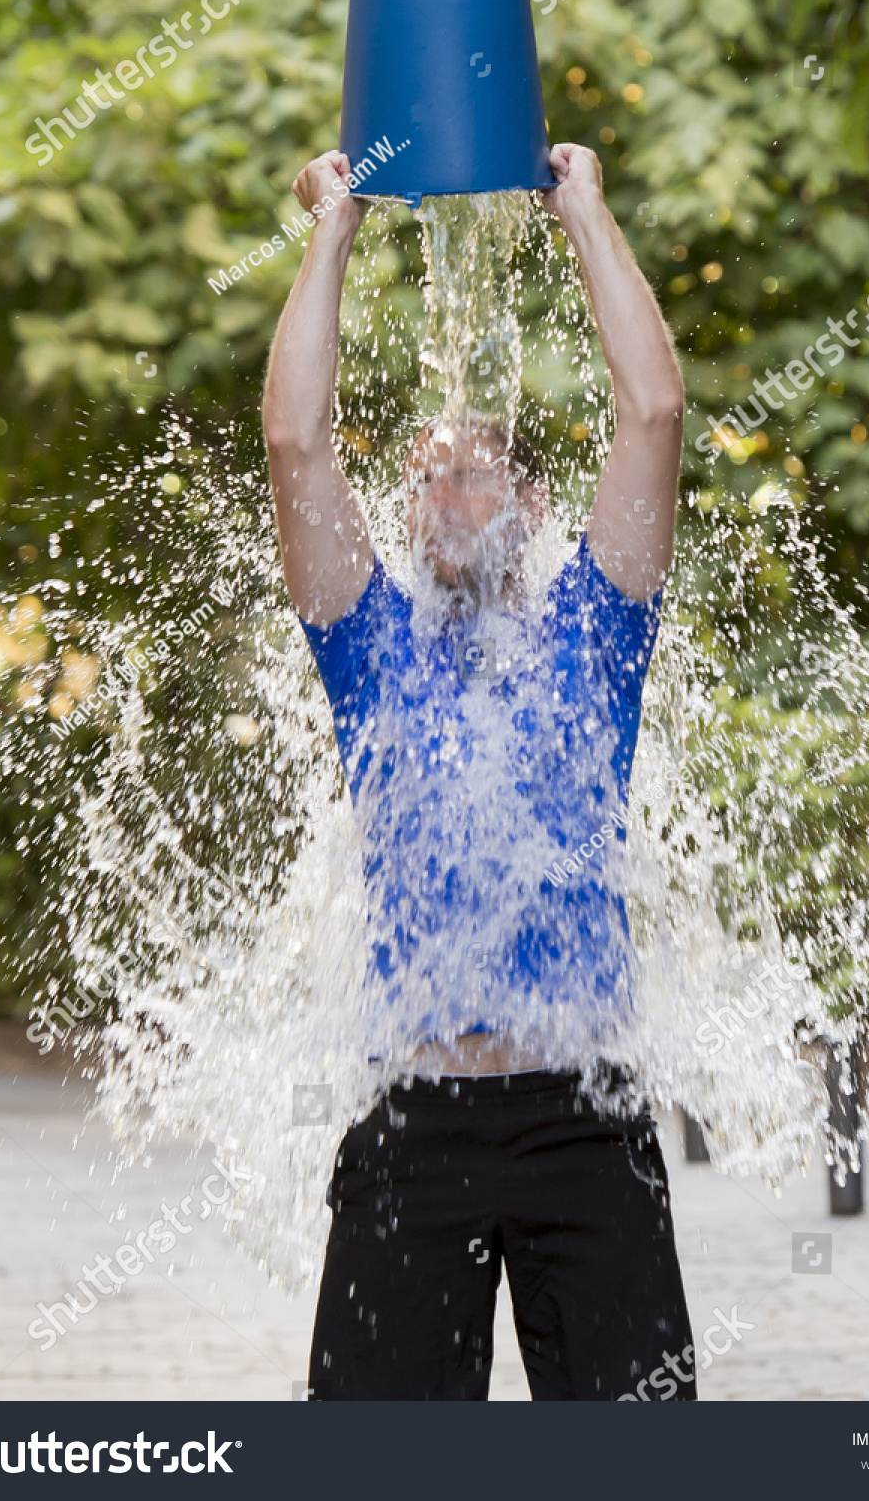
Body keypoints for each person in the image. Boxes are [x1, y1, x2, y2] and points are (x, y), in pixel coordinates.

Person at [262, 142, 692, 1401]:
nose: (444, 490)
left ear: (534, 499)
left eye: (473, 469)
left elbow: (655, 412)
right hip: (414, 1119)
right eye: (423, 475)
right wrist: (333, 228)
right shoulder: (371, 650)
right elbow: (297, 442)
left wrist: (587, 213)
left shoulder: (593, 634)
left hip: (587, 1114)